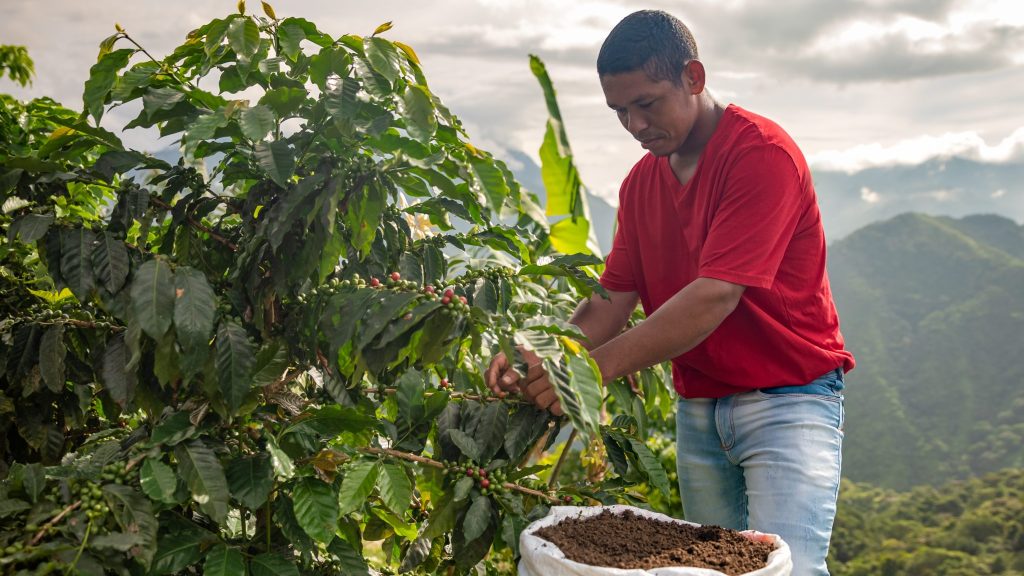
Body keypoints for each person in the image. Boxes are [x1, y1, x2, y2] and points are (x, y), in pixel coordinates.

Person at [485, 9, 855, 576]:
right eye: (620, 111)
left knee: (793, 569)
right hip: (700, 409)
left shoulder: (760, 155)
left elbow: (714, 295)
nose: (634, 124)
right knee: (712, 571)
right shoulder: (640, 185)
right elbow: (611, 298)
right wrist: (541, 356)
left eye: (647, 103)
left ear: (694, 77)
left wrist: (584, 375)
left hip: (789, 401)